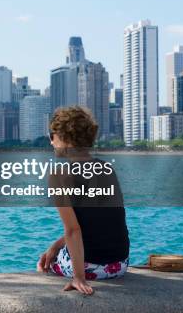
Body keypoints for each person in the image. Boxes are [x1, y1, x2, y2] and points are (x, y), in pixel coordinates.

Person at [37, 106, 129, 295]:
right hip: (119, 265)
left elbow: (73, 230)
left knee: (45, 263)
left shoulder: (59, 176)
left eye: (52, 135)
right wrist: (56, 245)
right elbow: (99, 224)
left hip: (90, 269)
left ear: (64, 138)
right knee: (55, 251)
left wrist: (78, 277)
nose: (51, 141)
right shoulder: (106, 169)